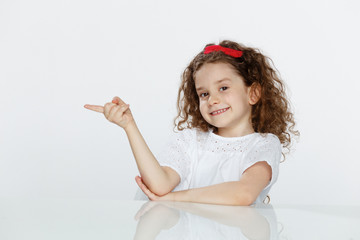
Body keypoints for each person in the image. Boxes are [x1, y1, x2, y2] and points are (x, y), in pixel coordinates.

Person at [84, 40, 299, 206]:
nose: (212, 99)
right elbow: (159, 186)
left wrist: (175, 199)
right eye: (204, 94)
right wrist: (129, 125)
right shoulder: (190, 141)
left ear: (253, 93)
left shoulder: (263, 144)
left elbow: (243, 193)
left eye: (223, 88)